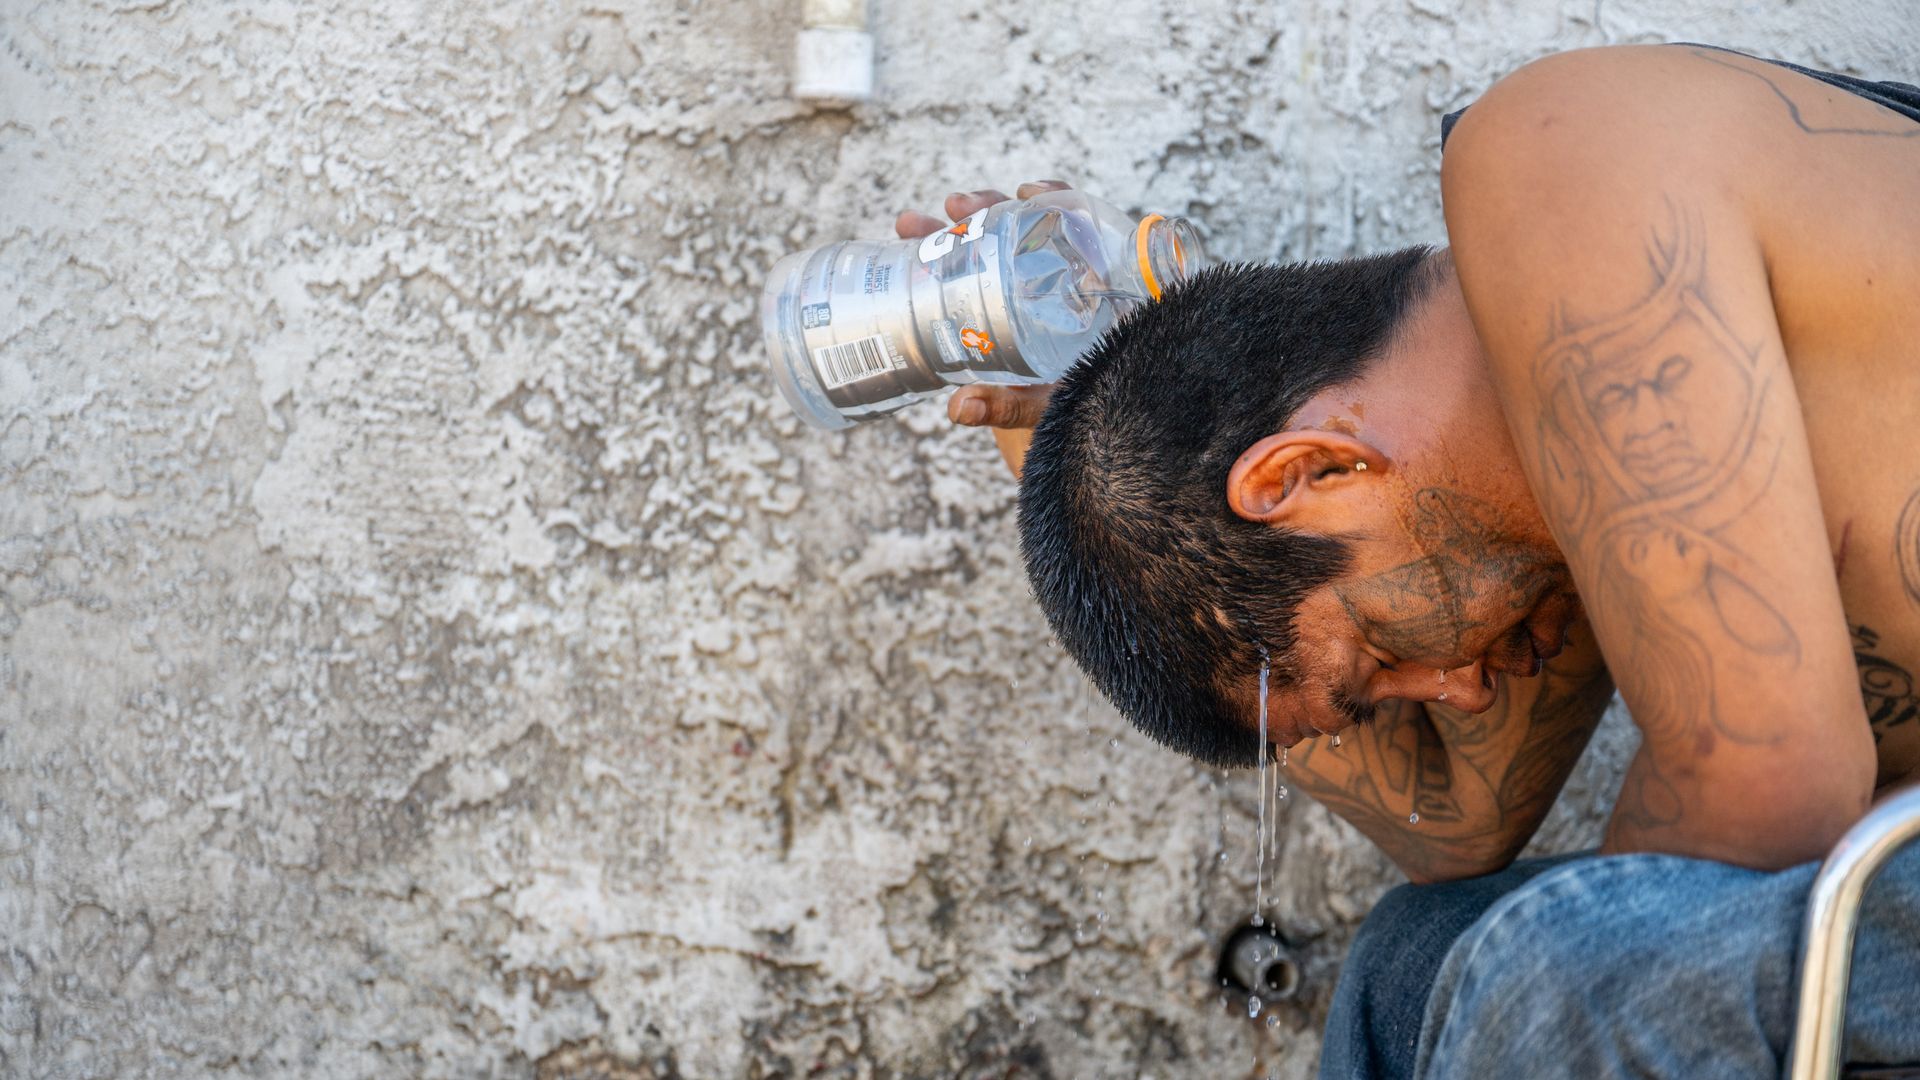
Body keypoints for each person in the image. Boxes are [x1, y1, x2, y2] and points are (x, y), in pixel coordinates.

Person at [893, 44, 1920, 1079]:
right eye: (1394, 688)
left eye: (1381, 655)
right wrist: (1075, 439)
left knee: (1556, 966)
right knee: (1411, 963)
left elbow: (1777, 788)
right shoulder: (1539, 483)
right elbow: (1455, 826)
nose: (1460, 692)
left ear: (1317, 467)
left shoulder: (1558, 168)